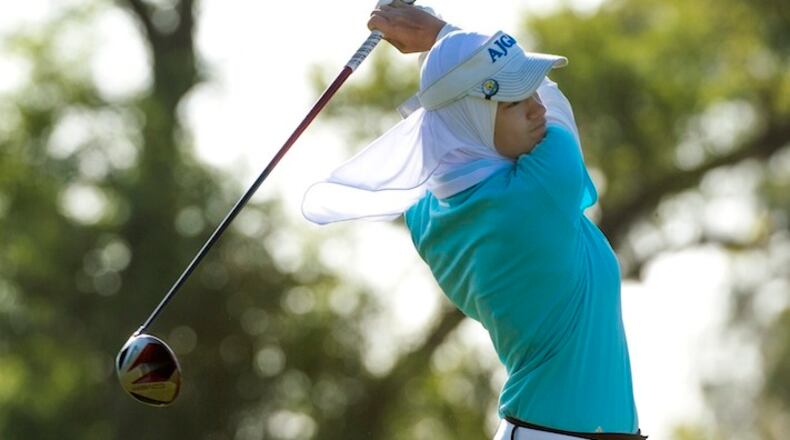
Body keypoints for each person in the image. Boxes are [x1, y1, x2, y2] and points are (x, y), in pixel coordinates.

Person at [302, 2, 647, 439]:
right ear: (473, 120)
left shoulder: (429, 217)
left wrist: (448, 60)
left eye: (530, 92)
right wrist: (441, 35)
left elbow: (445, 130)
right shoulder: (539, 192)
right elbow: (557, 105)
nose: (537, 107)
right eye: (512, 101)